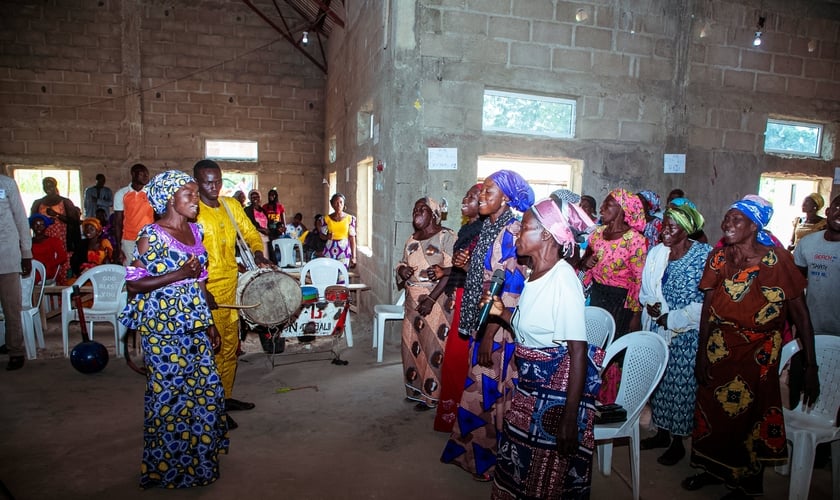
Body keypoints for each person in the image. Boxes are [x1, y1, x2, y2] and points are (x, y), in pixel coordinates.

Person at [682, 196, 820, 498]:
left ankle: (747, 482)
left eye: (737, 219)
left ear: (755, 224)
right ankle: (712, 469)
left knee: (749, 417)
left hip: (758, 354)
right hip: (719, 350)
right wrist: (701, 354)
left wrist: (811, 365)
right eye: (727, 218)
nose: (727, 224)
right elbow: (707, 310)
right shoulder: (718, 259)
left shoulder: (777, 260)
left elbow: (801, 315)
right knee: (712, 413)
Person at [480, 196, 601, 499]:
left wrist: (569, 419)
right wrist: (498, 312)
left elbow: (577, 352)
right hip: (530, 390)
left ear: (546, 234)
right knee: (519, 469)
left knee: (545, 479)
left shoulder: (563, 280)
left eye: (524, 229)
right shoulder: (535, 276)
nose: (517, 235)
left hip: (554, 399)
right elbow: (525, 325)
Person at [118, 170, 229, 489]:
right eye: (189, 195)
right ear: (169, 199)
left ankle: (200, 463)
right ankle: (168, 468)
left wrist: (209, 321)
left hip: (195, 324)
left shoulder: (196, 231)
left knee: (206, 393)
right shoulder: (150, 235)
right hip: (164, 330)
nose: (196, 200)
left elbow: (201, 278)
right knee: (170, 399)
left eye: (196, 194)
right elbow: (133, 284)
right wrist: (177, 273)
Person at [441, 170, 534, 481]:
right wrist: (469, 266)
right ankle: (475, 458)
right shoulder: (490, 226)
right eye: (482, 191)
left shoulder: (512, 231)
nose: (481, 196)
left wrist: (489, 335)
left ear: (505, 198)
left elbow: (512, 289)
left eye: (489, 192)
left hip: (498, 330)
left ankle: (492, 464)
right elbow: (488, 274)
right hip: (482, 319)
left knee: (487, 395)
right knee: (480, 393)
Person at [194, 159, 271, 429]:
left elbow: (250, 233)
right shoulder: (193, 211)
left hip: (232, 286)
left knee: (230, 348)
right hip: (206, 290)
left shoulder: (231, 205)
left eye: (217, 181)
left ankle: (224, 398)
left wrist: (259, 252)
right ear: (197, 183)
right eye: (207, 182)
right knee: (211, 350)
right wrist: (201, 293)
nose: (214, 187)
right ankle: (211, 409)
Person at [638, 203, 711, 466]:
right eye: (664, 223)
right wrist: (652, 306)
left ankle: (679, 441)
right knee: (660, 384)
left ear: (688, 228)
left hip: (686, 334)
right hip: (659, 327)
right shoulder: (657, 252)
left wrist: (675, 318)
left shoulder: (704, 255)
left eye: (673, 225)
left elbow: (706, 301)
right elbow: (646, 288)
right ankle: (662, 433)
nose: (665, 229)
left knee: (680, 389)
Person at [579, 188, 647, 403]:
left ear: (621, 209)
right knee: (593, 347)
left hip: (621, 303)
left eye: (607, 204)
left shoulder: (634, 240)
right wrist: (585, 263)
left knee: (613, 353)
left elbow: (639, 280)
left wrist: (636, 315)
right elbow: (584, 262)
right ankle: (588, 397)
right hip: (597, 296)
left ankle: (608, 404)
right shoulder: (597, 234)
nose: (602, 208)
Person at [395, 197, 456, 411]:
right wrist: (401, 270)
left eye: (423, 209)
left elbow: (451, 271)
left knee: (432, 348)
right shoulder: (412, 239)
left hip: (436, 301)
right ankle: (415, 390)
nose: (417, 212)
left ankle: (432, 397)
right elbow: (403, 262)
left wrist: (431, 300)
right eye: (415, 209)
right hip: (412, 300)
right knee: (411, 345)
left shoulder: (446, 236)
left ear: (434, 214)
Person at [432, 184, 483, 432]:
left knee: (457, 359)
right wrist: (446, 272)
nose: (466, 198)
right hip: (459, 293)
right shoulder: (467, 228)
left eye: (473, 197)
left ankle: (460, 418)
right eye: (467, 194)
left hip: (470, 298)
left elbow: (481, 268)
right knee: (453, 360)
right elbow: (463, 265)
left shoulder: (484, 230)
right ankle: (451, 416)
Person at [794, 194, 840, 337]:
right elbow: (796, 287)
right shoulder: (807, 243)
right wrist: (800, 320)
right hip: (810, 328)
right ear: (827, 211)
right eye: (837, 208)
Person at [0, 175, 33, 371]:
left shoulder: (6, 184)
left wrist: (26, 253)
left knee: (11, 305)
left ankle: (15, 350)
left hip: (6, 255)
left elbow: (21, 219)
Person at [113, 163, 154, 265]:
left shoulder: (152, 193)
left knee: (147, 267)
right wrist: (118, 246)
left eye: (147, 174)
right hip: (129, 240)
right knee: (130, 270)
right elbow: (118, 222)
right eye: (142, 174)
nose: (146, 177)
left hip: (148, 238)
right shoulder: (121, 194)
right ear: (133, 174)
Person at [30, 177, 82, 255]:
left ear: (55, 186)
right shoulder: (38, 203)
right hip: (44, 236)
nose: (48, 188)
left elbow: (74, 221)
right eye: (45, 186)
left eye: (50, 186)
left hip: (62, 236)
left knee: (60, 257)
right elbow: (32, 221)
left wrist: (56, 215)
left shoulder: (65, 202)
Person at [321, 193, 357, 268]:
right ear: (332, 204)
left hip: (344, 251)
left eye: (341, 202)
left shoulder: (350, 219)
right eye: (336, 203)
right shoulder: (326, 219)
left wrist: (354, 257)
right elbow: (321, 235)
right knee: (330, 276)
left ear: (344, 204)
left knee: (342, 276)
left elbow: (352, 238)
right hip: (329, 251)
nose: (339, 205)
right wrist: (327, 237)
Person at [29, 214, 67, 283]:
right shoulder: (28, 242)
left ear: (46, 226)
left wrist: (48, 265)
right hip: (32, 269)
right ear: (31, 226)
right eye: (36, 224)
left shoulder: (54, 241)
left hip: (48, 270)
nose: (38, 227)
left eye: (41, 225)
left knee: (30, 278)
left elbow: (63, 257)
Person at [244, 190, 270, 256]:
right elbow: (249, 224)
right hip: (255, 236)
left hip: (265, 237)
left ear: (260, 198)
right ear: (250, 199)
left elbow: (268, 223)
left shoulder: (263, 210)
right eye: (253, 197)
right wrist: (261, 229)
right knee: (257, 257)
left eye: (257, 197)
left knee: (265, 257)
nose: (255, 198)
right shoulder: (247, 210)